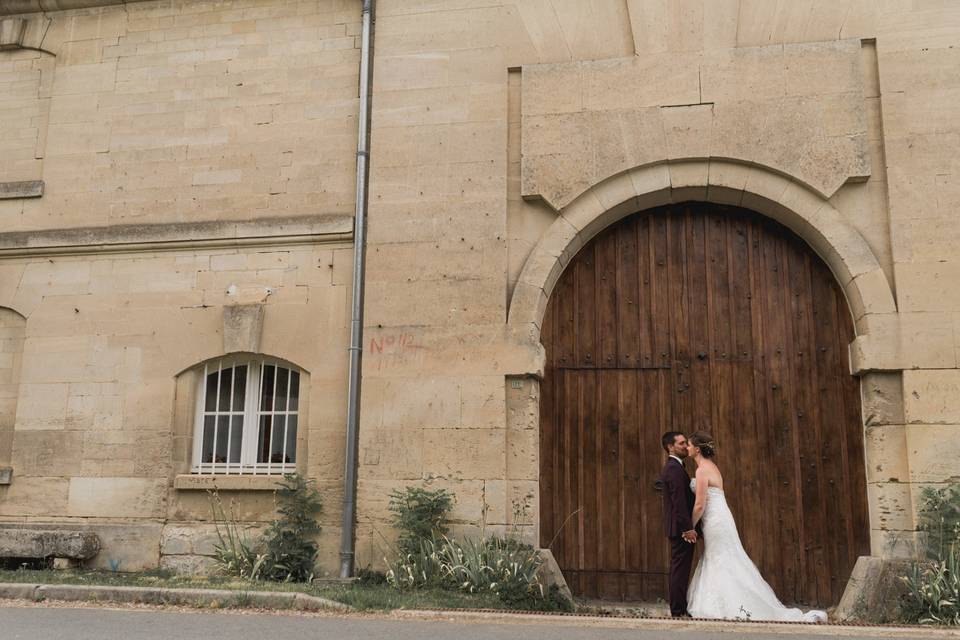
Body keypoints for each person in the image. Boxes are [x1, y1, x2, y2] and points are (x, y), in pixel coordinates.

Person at [685, 430, 827, 622]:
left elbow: (700, 504)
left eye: (688, 444)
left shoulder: (702, 470)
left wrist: (689, 526)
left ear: (697, 449)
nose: (686, 447)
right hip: (721, 518)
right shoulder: (713, 467)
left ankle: (730, 603)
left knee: (721, 557)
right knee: (725, 557)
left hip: (715, 520)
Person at [659, 431, 697, 617]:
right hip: (680, 530)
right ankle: (678, 610)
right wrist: (688, 528)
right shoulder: (673, 469)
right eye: (681, 443)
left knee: (680, 569)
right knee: (679, 570)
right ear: (670, 447)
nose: (685, 446)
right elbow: (679, 502)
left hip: (680, 528)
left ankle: (679, 608)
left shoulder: (677, 467)